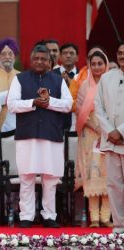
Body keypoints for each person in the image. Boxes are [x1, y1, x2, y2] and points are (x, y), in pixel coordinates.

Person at [7, 45, 72, 228]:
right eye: (37, 58)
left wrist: (49, 102)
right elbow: (12, 105)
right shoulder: (19, 79)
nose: (40, 62)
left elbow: (68, 105)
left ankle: (49, 216)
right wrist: (33, 103)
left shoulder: (58, 80)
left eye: (44, 59)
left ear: (49, 62)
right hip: (27, 135)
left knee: (50, 178)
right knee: (26, 177)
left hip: (51, 135)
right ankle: (26, 216)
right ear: (31, 59)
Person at [75, 51, 112, 228]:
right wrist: (96, 127)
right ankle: (94, 219)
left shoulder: (112, 85)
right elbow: (80, 113)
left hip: (110, 136)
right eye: (94, 64)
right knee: (92, 176)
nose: (97, 67)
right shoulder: (84, 86)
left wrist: (107, 129)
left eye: (100, 63)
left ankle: (106, 217)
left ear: (106, 65)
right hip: (90, 136)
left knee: (108, 176)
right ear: (89, 65)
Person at [95, 41, 124, 234]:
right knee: (114, 185)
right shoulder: (106, 78)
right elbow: (99, 107)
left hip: (119, 136)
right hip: (111, 142)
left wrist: (121, 131)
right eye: (120, 52)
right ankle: (119, 225)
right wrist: (110, 131)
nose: (122, 56)